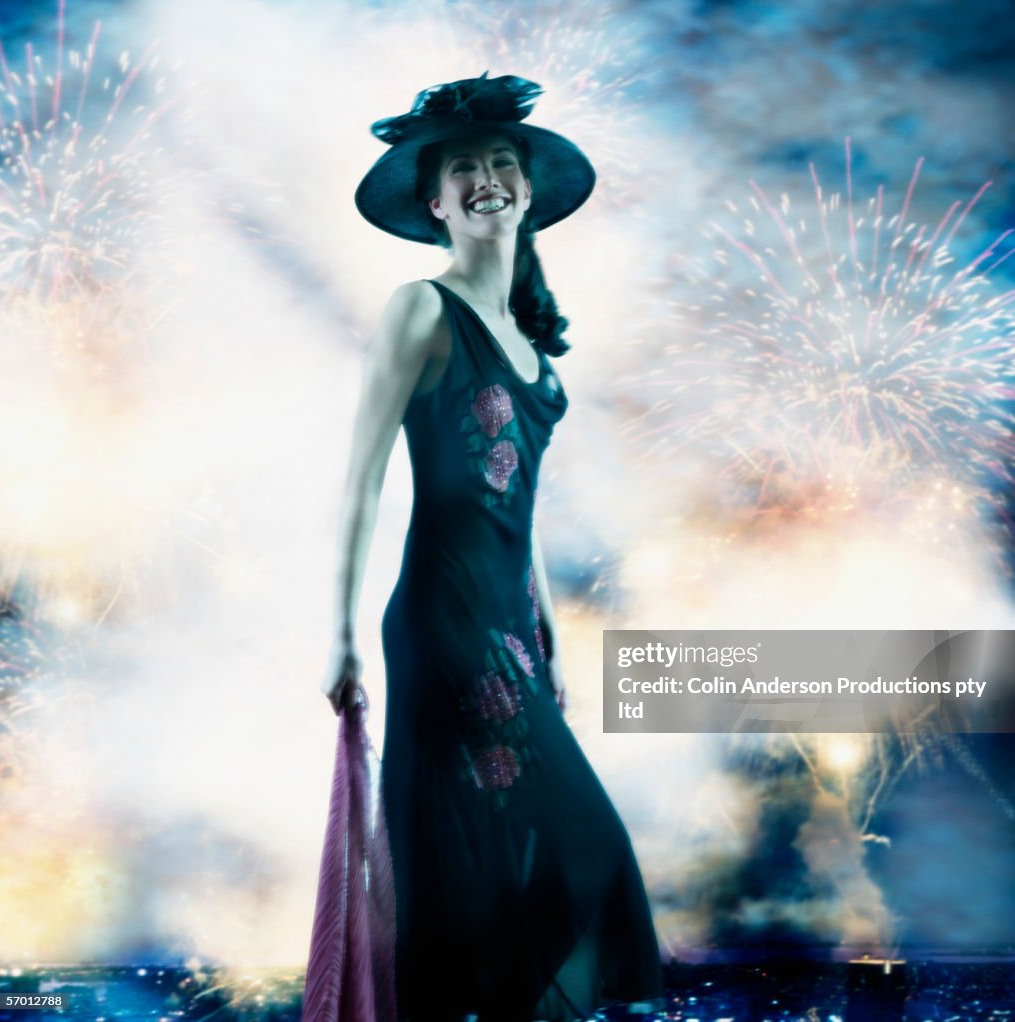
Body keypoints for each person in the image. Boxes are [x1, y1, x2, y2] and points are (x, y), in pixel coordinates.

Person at [320, 73, 663, 1022]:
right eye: (462, 169)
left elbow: (517, 501)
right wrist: (340, 636)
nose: (487, 180)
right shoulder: (420, 310)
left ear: (526, 189)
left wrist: (546, 622)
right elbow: (362, 479)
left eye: (502, 164)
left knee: (509, 862)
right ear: (433, 203)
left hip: (509, 621)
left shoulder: (534, 348)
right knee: (567, 844)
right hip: (441, 617)